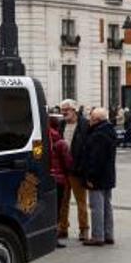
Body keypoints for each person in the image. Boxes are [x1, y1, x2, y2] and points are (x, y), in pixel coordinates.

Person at [81, 107, 117, 246]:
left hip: (97, 177)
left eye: (91, 118)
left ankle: (97, 236)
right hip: (108, 176)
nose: (89, 120)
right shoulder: (109, 130)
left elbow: (95, 159)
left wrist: (90, 177)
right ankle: (108, 234)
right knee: (107, 205)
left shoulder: (98, 134)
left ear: (96, 120)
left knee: (97, 207)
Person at [58, 100, 90, 242]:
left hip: (78, 169)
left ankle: (84, 229)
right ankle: (63, 228)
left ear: (74, 110)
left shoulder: (84, 124)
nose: (64, 112)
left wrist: (83, 166)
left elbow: (88, 147)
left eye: (67, 110)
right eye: (62, 110)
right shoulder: (61, 124)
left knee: (81, 201)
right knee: (63, 201)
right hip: (64, 169)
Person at [48, 117, 73, 249]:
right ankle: (54, 238)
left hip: (46, 178)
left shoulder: (44, 138)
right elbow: (68, 162)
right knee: (57, 209)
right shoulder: (60, 142)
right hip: (59, 179)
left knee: (47, 208)